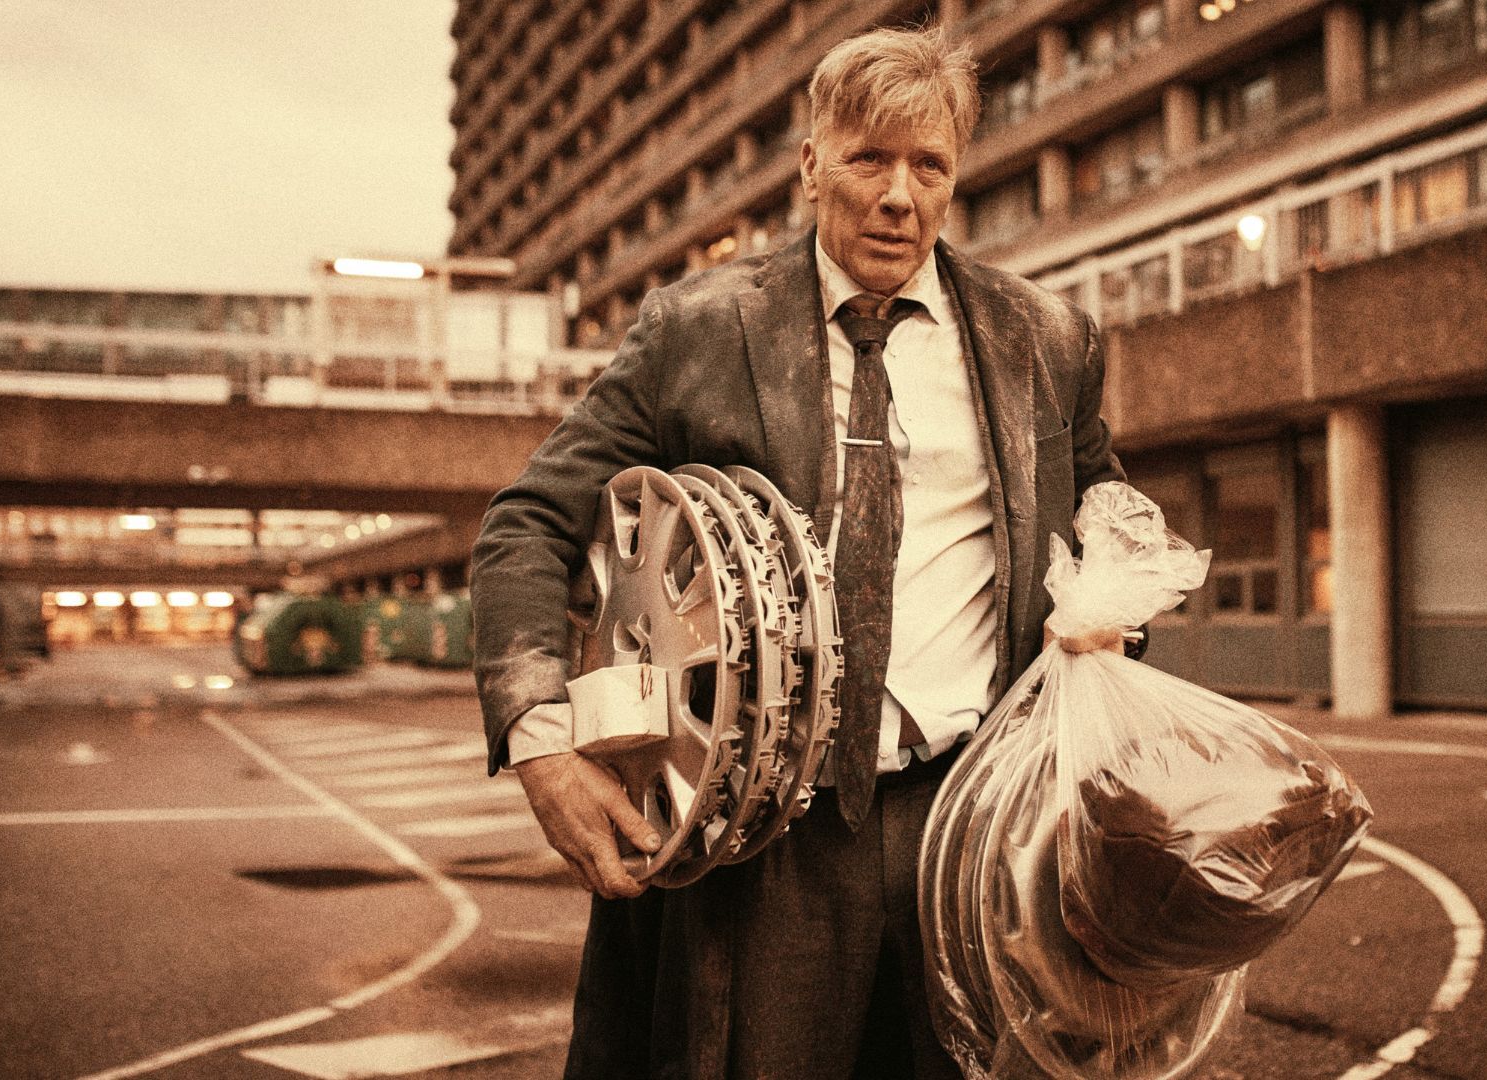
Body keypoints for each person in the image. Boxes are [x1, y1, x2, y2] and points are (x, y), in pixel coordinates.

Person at [470, 24, 1125, 1079]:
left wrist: (1114, 615)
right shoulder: (694, 330)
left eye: (929, 166)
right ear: (813, 163)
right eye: (870, 159)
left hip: (969, 825)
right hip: (762, 834)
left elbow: (1111, 528)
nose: (899, 196)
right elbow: (529, 521)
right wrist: (540, 743)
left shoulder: (1045, 339)